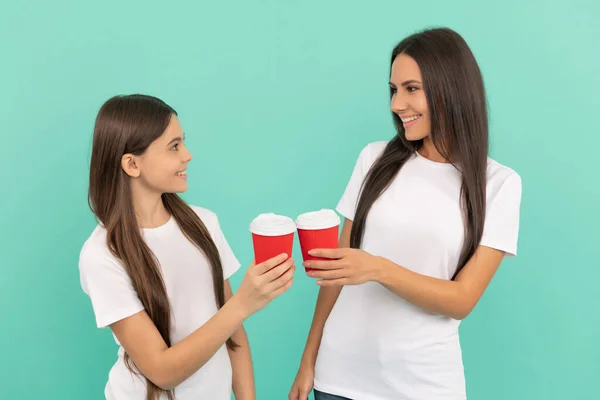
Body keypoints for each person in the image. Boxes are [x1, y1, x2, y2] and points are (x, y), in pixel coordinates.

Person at [289, 27, 522, 400]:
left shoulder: (498, 184)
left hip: (423, 386)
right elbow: (336, 273)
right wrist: (308, 360)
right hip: (338, 380)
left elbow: (462, 300)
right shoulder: (374, 159)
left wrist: (378, 268)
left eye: (411, 89)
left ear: (450, 88)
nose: (397, 104)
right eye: (394, 90)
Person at [79, 94, 295, 400]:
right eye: (173, 146)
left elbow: (234, 335)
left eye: (183, 143)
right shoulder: (102, 254)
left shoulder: (203, 224)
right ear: (132, 164)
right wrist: (243, 304)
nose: (188, 155)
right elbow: (161, 371)